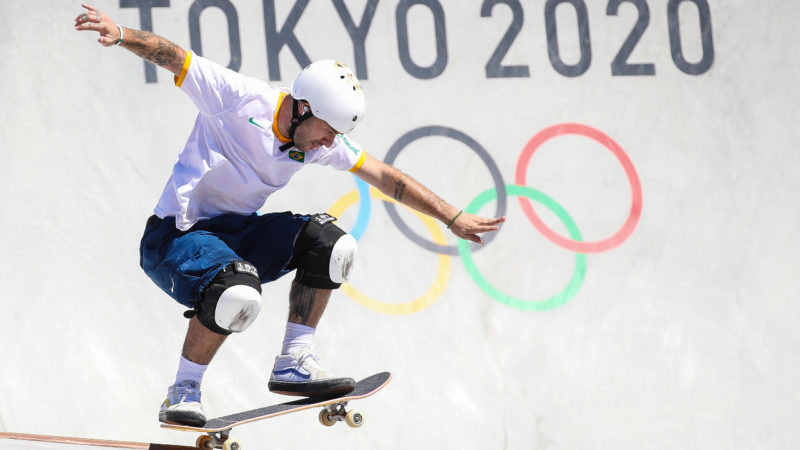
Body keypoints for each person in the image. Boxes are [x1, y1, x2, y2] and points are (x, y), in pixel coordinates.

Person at [75, 3, 505, 426]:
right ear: (302, 106)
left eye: (336, 136)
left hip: (236, 234)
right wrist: (122, 35)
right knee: (238, 290)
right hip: (174, 237)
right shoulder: (239, 98)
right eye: (326, 131)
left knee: (331, 244)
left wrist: (451, 216)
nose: (328, 142)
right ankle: (184, 389)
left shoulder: (321, 138)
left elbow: (385, 176)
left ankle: (293, 361)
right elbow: (174, 56)